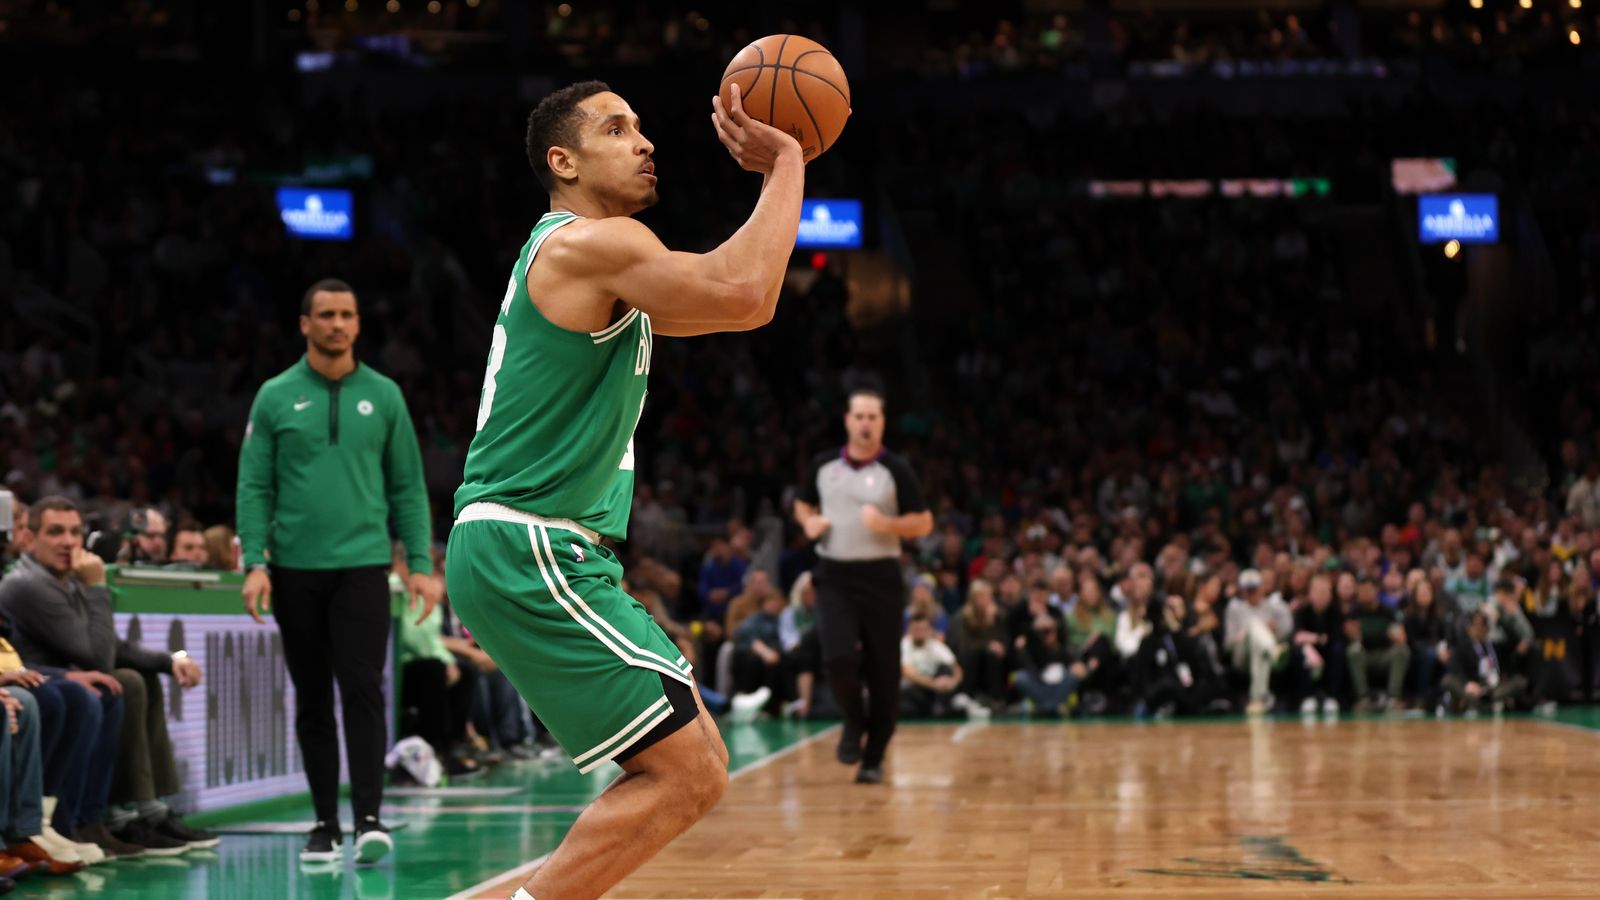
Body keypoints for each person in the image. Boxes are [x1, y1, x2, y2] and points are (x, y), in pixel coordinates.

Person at [443, 78, 806, 900]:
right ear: (562, 160)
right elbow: (742, 290)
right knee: (687, 772)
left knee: (697, 767)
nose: (645, 141)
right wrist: (787, 159)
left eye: (642, 126)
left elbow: (751, 301)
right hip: (530, 542)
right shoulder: (588, 244)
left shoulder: (608, 266)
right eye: (617, 128)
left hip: (539, 547)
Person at [236, 278, 439, 866]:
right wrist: (255, 561)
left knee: (362, 689)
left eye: (347, 314)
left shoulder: (386, 395)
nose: (337, 324)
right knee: (311, 699)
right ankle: (324, 823)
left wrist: (421, 564)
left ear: (357, 323)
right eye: (325, 315)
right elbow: (254, 486)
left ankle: (370, 820)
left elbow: (407, 486)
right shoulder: (274, 396)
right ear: (305, 324)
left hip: (364, 567)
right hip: (294, 569)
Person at [0, 497, 210, 857]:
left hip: (53, 682)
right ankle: (67, 822)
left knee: (134, 678)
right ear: (29, 537)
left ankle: (136, 810)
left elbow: (113, 647)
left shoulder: (65, 580)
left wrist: (169, 660)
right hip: (36, 682)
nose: (68, 542)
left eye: (74, 532)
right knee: (102, 688)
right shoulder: (28, 584)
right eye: (55, 532)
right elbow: (97, 656)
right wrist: (97, 588)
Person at [794, 389, 934, 784]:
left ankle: (875, 755)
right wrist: (808, 522)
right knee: (838, 657)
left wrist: (888, 525)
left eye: (873, 416)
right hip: (834, 575)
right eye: (859, 416)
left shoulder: (896, 469)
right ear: (847, 421)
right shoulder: (824, 466)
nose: (866, 423)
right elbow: (803, 504)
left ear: (882, 422)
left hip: (882, 579)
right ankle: (854, 723)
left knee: (883, 670)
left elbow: (924, 522)